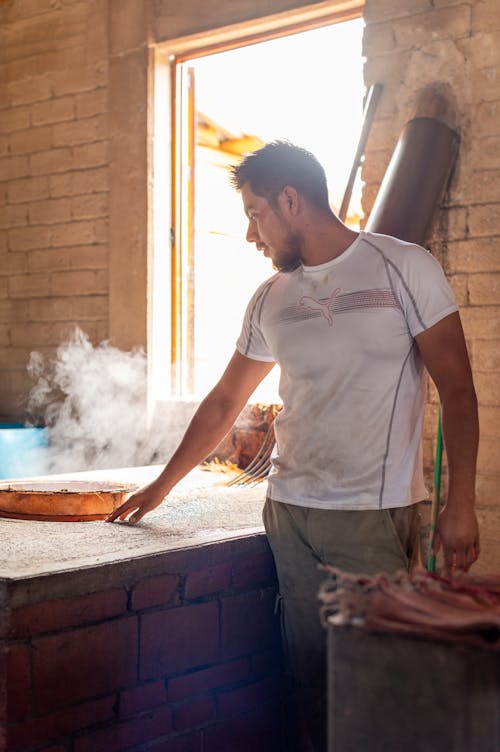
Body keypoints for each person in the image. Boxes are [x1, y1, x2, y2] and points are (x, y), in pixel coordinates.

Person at [108, 141, 480, 751]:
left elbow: (460, 392)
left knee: (376, 686)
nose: (251, 232)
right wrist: (162, 485)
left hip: (368, 513)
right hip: (288, 514)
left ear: (290, 200)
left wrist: (459, 501)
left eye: (255, 213)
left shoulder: (403, 266)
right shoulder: (271, 298)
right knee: (309, 681)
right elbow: (225, 401)